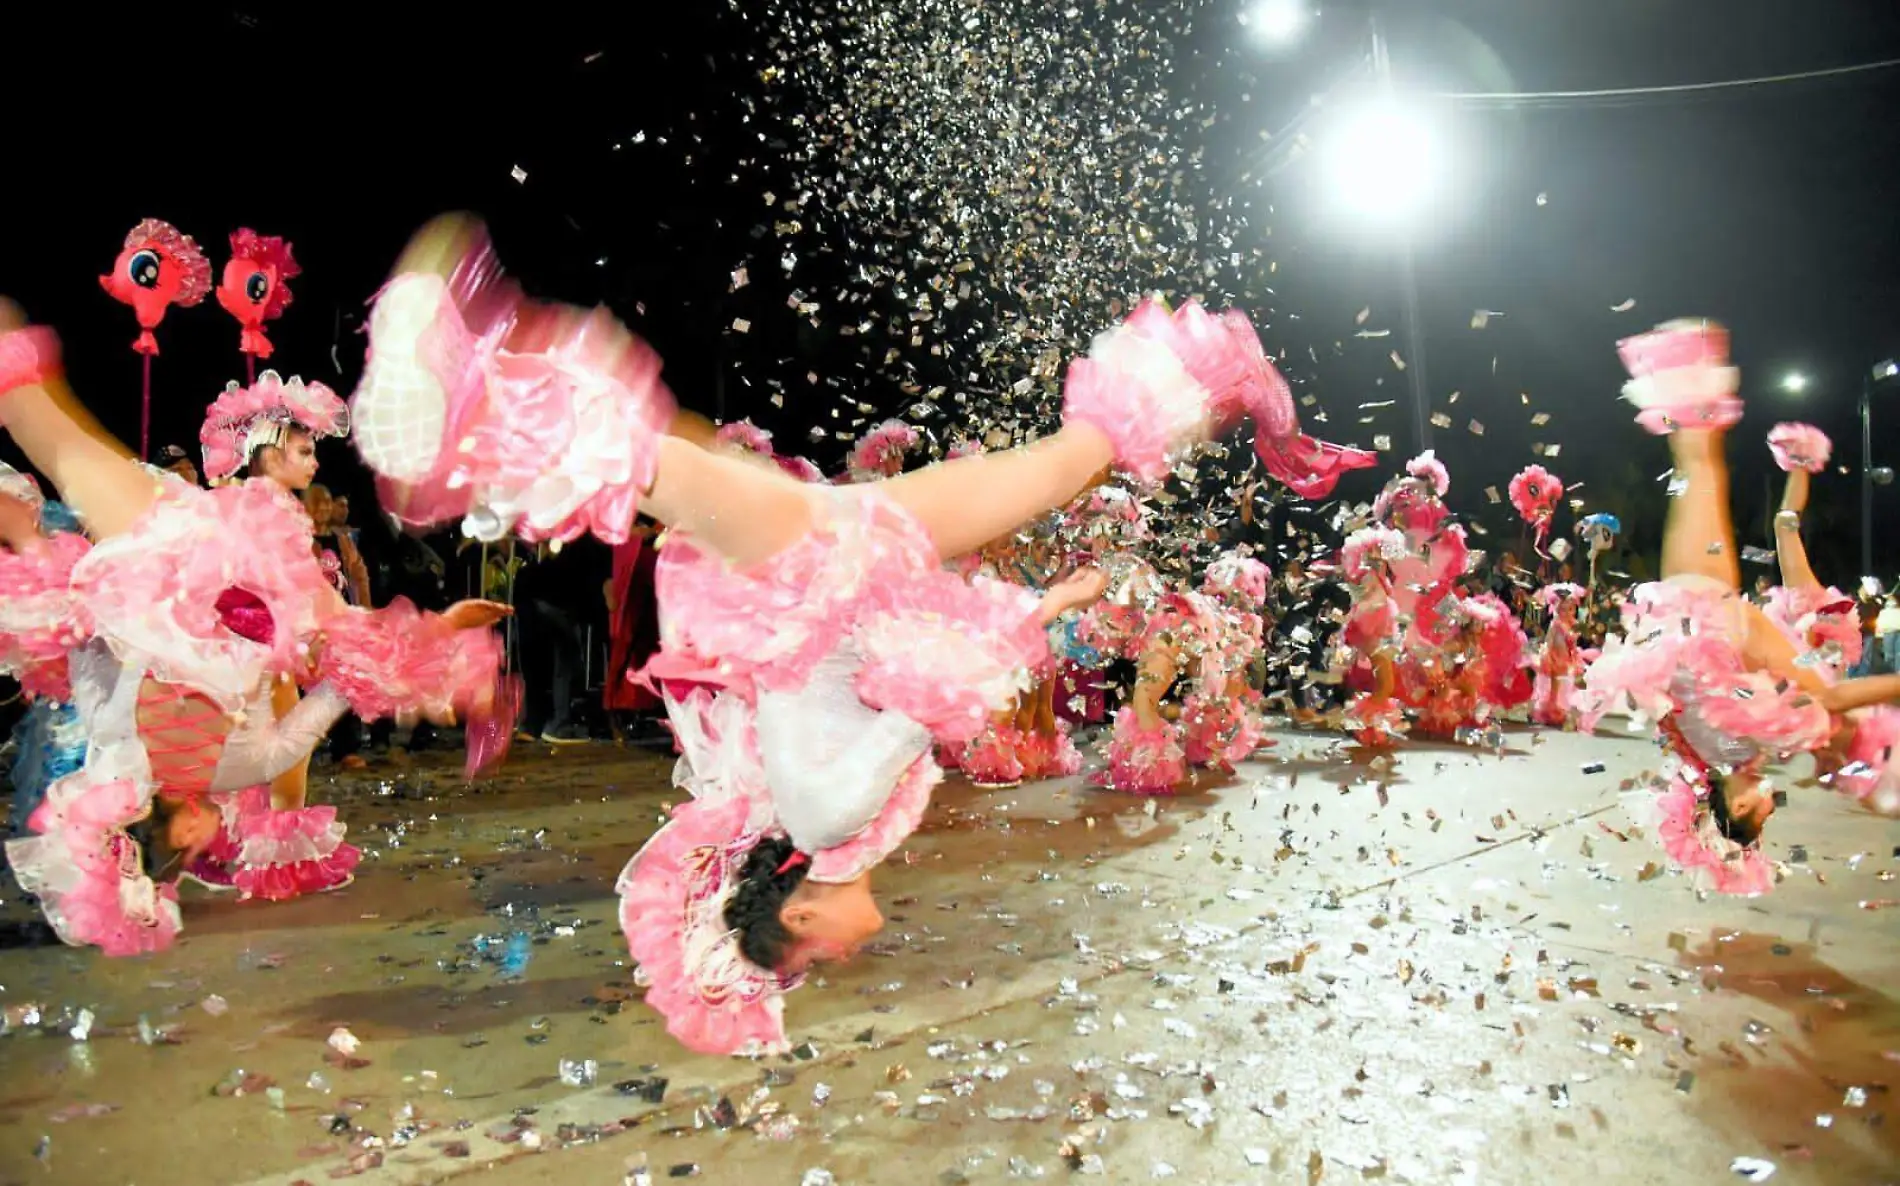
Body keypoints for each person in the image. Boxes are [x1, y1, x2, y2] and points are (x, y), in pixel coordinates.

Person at [345, 213, 1368, 1053]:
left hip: (814, 570)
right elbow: (907, 679)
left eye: (814, 954)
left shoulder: (828, 823)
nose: (843, 953)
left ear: (798, 909)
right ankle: (476, 389)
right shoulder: (789, 818)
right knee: (1068, 457)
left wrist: (1051, 607)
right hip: (844, 564)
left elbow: (940, 686)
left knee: (660, 466)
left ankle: (473, 380)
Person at [0, 305, 510, 952]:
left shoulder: (122, 761)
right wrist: (441, 633)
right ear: (266, 456)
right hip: (192, 560)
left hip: (160, 569)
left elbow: (93, 648)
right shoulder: (237, 763)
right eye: (304, 451)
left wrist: (45, 565)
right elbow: (335, 665)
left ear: (177, 831)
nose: (316, 463)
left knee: (44, 423)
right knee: (48, 427)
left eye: (311, 451)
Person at [1577, 320, 1900, 893]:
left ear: (1739, 804)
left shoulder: (1754, 741)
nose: (1772, 804)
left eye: (1760, 814)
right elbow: (1785, 542)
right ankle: (1677, 371)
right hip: (1690, 610)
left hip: (1707, 613)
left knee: (1700, 461)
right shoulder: (1718, 756)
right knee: (1697, 461)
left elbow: (1828, 696)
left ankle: (1678, 364)